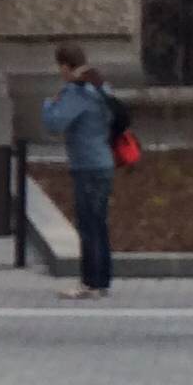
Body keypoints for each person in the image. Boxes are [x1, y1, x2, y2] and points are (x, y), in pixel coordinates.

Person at [42, 44, 121, 302]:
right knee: (100, 224)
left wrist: (48, 104)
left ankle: (90, 283)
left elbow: (55, 124)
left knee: (88, 227)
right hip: (103, 161)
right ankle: (103, 280)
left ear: (66, 67)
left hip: (87, 165)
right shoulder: (100, 86)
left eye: (60, 68)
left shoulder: (77, 93)